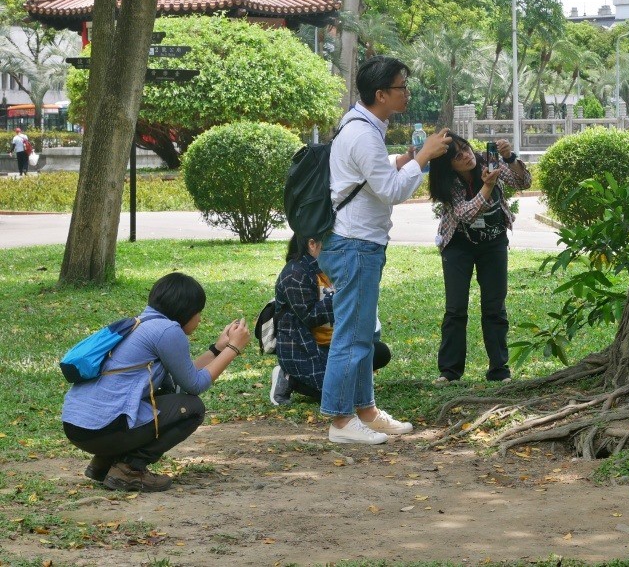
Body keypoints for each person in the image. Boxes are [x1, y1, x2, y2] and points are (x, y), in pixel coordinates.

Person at [318, 55, 451, 445]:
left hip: (359, 241)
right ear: (381, 94)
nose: (406, 94)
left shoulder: (361, 126)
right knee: (354, 337)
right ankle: (341, 423)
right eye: (400, 88)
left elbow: (372, 174)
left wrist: (404, 160)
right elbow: (390, 191)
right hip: (355, 244)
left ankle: (367, 412)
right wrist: (422, 158)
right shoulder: (361, 133)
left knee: (361, 334)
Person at [61, 273, 251, 492]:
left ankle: (104, 463)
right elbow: (195, 385)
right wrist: (233, 349)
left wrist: (218, 349)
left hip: (79, 427)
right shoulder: (167, 331)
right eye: (199, 312)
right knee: (192, 408)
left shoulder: (144, 325)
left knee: (167, 397)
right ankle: (129, 469)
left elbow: (185, 377)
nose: (199, 319)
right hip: (102, 429)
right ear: (186, 311)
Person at [428, 134, 532, 385]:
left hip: (493, 241)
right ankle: (450, 372)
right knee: (455, 309)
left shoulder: (488, 161)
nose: (466, 155)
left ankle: (499, 370)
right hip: (458, 244)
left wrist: (509, 157)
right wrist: (488, 185)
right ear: (448, 165)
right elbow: (465, 213)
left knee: (495, 307)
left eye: (465, 148)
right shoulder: (448, 183)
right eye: (457, 156)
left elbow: (523, 182)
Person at [268, 235, 392, 405]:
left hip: (335, 343)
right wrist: (342, 296)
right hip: (305, 349)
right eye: (332, 243)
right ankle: (289, 378)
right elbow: (310, 316)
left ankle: (343, 377)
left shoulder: (334, 265)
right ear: (312, 244)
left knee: (380, 352)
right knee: (339, 396)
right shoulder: (294, 273)